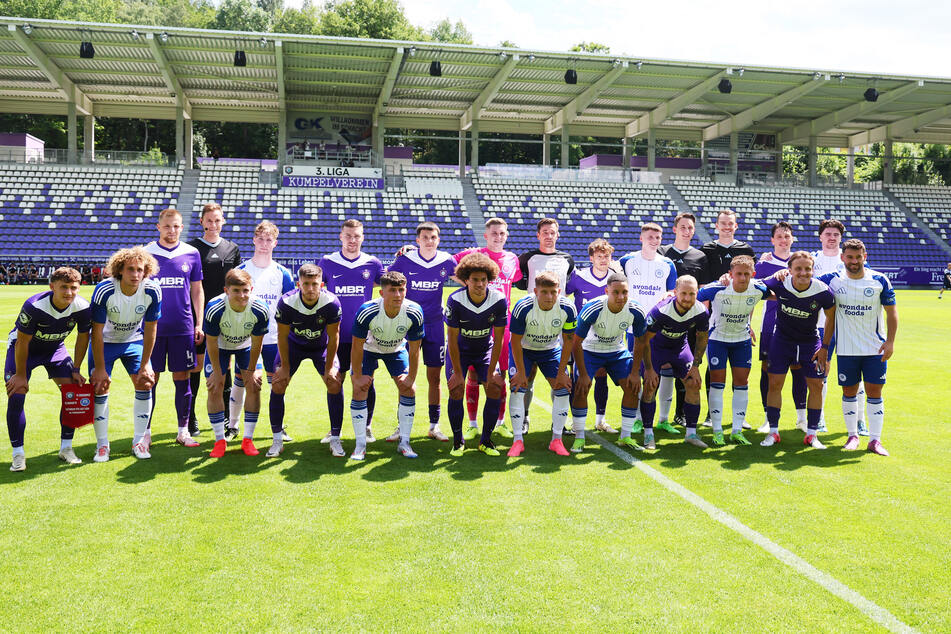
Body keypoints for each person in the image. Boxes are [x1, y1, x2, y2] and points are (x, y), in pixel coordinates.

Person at [816, 239, 897, 456]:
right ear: (842, 258)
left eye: (858, 257)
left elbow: (892, 313)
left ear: (865, 257)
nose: (854, 261)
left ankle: (875, 440)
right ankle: (852, 435)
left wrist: (890, 342)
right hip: (846, 349)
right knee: (849, 391)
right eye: (849, 257)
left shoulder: (879, 280)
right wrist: (780, 273)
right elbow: (803, 279)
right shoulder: (831, 280)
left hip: (874, 349)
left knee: (875, 392)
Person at [5, 267, 91, 471]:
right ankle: (18, 454)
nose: (69, 292)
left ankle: (66, 448)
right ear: (52, 286)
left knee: (73, 392)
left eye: (73, 288)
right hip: (24, 349)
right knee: (17, 393)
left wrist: (77, 368)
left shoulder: (82, 307)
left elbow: (83, 337)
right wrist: (20, 375)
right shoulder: (35, 306)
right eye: (64, 287)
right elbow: (22, 342)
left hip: (55, 349)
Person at [88, 247, 162, 461]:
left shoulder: (152, 290)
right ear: (119, 270)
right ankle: (102, 445)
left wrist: (146, 363)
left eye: (140, 270)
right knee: (100, 386)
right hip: (106, 343)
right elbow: (97, 332)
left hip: (133, 341)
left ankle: (139, 441)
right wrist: (100, 369)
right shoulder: (105, 290)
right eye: (130, 269)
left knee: (146, 382)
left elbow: (151, 329)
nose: (136, 274)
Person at [384, 222, 456, 442]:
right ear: (417, 240)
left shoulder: (447, 260)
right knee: (404, 377)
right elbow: (387, 280)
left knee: (434, 377)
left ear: (438, 239)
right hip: (407, 324)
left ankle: (434, 425)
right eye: (425, 237)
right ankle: (401, 426)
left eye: (433, 237)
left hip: (435, 324)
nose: (429, 241)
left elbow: (465, 277)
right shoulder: (405, 260)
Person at [454, 218, 522, 441]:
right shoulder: (474, 254)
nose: (498, 237)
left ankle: (501, 423)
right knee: (473, 373)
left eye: (502, 233)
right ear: (486, 235)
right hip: (476, 322)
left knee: (499, 375)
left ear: (507, 235)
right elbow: (447, 263)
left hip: (503, 323)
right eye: (494, 233)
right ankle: (472, 424)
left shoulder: (512, 259)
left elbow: (516, 281)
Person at [318, 219, 384, 443]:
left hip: (364, 336)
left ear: (363, 237)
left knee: (366, 381)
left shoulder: (372, 263)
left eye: (357, 236)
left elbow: (386, 286)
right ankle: (334, 429)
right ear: (340, 237)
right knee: (335, 381)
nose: (352, 240)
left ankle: (366, 426)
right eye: (348, 236)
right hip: (335, 335)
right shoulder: (327, 262)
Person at [760, 252, 835, 449]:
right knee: (775, 383)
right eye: (798, 269)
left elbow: (831, 318)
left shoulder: (823, 291)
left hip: (810, 342)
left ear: (813, 270)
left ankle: (812, 434)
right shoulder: (779, 283)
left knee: (817, 386)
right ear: (789, 270)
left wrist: (825, 348)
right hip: (782, 341)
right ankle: (773, 432)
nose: (803, 273)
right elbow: (755, 285)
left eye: (807, 269)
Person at [349, 271, 425, 461]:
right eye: (392, 290)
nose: (398, 295)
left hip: (395, 350)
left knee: (409, 389)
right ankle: (360, 445)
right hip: (368, 349)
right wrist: (357, 376)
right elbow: (356, 346)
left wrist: (411, 378)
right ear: (382, 293)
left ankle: (405, 443)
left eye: (401, 290)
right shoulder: (367, 310)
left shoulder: (414, 311)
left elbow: (415, 349)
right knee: (359, 390)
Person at [270, 264, 343, 457]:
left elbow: (334, 337)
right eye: (306, 284)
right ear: (298, 284)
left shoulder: (331, 302)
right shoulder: (287, 302)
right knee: (278, 383)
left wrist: (329, 369)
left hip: (321, 347)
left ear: (322, 284)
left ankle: (335, 438)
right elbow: (282, 336)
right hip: (294, 346)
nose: (310, 289)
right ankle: (277, 439)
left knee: (334, 383)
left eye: (315, 284)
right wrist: (284, 367)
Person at [145, 208, 204, 448]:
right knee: (150, 380)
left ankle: (183, 431)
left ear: (182, 227)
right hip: (153, 329)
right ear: (158, 227)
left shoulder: (192, 253)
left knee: (183, 378)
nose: (172, 231)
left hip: (183, 327)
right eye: (167, 226)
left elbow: (197, 290)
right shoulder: (146, 253)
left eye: (177, 226)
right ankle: (145, 432)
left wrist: (199, 323)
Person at [696, 256, 769, 445]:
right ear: (730, 274)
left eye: (746, 274)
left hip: (741, 341)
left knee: (741, 383)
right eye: (738, 274)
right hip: (717, 340)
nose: (742, 278)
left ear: (752, 274)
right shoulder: (718, 288)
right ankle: (717, 430)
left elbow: (780, 292)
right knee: (718, 383)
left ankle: (737, 430)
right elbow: (692, 296)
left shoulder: (758, 288)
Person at [233, 221, 295, 441]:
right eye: (260, 238)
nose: (264, 244)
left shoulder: (283, 273)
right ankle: (233, 426)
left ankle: (277, 427)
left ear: (275, 243)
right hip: (245, 339)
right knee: (242, 380)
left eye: (269, 240)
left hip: (274, 338)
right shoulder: (240, 271)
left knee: (276, 383)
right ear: (253, 240)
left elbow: (290, 307)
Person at [571, 274, 648, 451]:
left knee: (633, 387)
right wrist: (582, 374)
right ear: (607, 291)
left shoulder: (636, 310)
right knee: (582, 388)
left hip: (616, 351)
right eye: (616, 292)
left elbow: (640, 342)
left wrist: (636, 373)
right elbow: (576, 343)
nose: (621, 297)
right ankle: (580, 437)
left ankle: (626, 437)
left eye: (625, 292)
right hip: (590, 350)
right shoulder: (593, 308)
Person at [202, 269, 271, 458]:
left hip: (246, 346)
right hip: (220, 347)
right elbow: (211, 342)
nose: (242, 295)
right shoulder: (215, 308)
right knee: (215, 387)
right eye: (236, 290)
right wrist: (217, 373)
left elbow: (258, 343)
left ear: (251, 289)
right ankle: (219, 441)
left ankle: (247, 440)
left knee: (254, 386)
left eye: (246, 290)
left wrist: (251, 370)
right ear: (226, 290)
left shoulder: (260, 308)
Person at [445, 253, 509, 456]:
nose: (480, 284)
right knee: (456, 389)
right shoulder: (455, 300)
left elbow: (498, 339)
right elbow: (452, 339)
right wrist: (456, 373)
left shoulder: (498, 299)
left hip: (484, 351)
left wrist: (490, 373)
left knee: (496, 386)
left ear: (489, 279)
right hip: (460, 351)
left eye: (483, 279)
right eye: (475, 279)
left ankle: (486, 441)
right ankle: (457, 441)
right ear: (466, 279)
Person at [508, 272, 577, 456]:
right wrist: (521, 372)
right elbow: (514, 340)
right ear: (535, 291)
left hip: (550, 349)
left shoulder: (568, 308)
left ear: (559, 291)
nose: (549, 297)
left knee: (562, 388)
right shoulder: (523, 307)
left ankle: (556, 440)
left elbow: (569, 340)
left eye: (553, 292)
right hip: (524, 349)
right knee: (518, 387)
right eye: (544, 292)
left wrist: (562, 372)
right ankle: (517, 441)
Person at [187, 203, 241, 438]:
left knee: (225, 368)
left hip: (225, 317)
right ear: (201, 222)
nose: (213, 224)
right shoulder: (191, 248)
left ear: (223, 222)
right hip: (198, 317)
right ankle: (190, 418)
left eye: (217, 220)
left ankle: (228, 418)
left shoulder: (232, 248)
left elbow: (238, 283)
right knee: (196, 368)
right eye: (209, 220)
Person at [619, 223, 678, 434]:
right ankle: (636, 418)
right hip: (634, 326)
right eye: (650, 237)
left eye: (658, 237)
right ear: (641, 238)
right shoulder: (627, 261)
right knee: (636, 371)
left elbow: (672, 292)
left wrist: (668, 295)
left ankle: (663, 419)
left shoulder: (668, 264)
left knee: (663, 371)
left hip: (659, 326)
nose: (654, 241)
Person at [639, 277, 710, 449]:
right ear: (675, 292)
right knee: (650, 385)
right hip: (655, 348)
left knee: (694, 383)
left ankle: (691, 434)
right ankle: (648, 434)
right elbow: (644, 341)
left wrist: (695, 366)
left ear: (697, 294)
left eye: (692, 294)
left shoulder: (701, 311)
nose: (687, 298)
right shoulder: (661, 311)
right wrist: (649, 369)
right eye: (683, 293)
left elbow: (702, 337)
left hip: (680, 347)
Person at [755, 222, 809, 433]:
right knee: (767, 370)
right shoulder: (763, 265)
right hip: (770, 325)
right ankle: (769, 418)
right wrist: (748, 324)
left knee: (799, 370)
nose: (783, 240)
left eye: (787, 236)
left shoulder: (801, 262)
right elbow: (752, 294)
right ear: (772, 240)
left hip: (798, 326)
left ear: (792, 239)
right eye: (779, 236)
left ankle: (801, 418)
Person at [811, 218, 863, 434]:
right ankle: (819, 417)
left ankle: (860, 420)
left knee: (856, 374)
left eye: (836, 235)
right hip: (821, 326)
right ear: (820, 236)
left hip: (849, 326)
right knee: (821, 372)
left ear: (841, 238)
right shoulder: (812, 259)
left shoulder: (851, 260)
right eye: (828, 234)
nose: (832, 238)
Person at [565, 238, 621, 434]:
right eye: (599, 256)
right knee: (578, 378)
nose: (603, 260)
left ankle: (600, 420)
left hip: (607, 335)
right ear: (591, 258)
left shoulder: (615, 277)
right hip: (581, 337)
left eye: (606, 256)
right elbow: (563, 296)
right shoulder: (578, 276)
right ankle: (574, 420)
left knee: (602, 377)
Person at [658, 212, 709, 428]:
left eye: (690, 228)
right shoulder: (662, 253)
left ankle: (681, 414)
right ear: (675, 229)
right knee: (660, 370)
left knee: (686, 370)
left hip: (690, 320)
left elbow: (704, 292)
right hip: (663, 319)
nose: (686, 231)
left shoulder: (700, 256)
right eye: (683, 227)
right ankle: (657, 418)